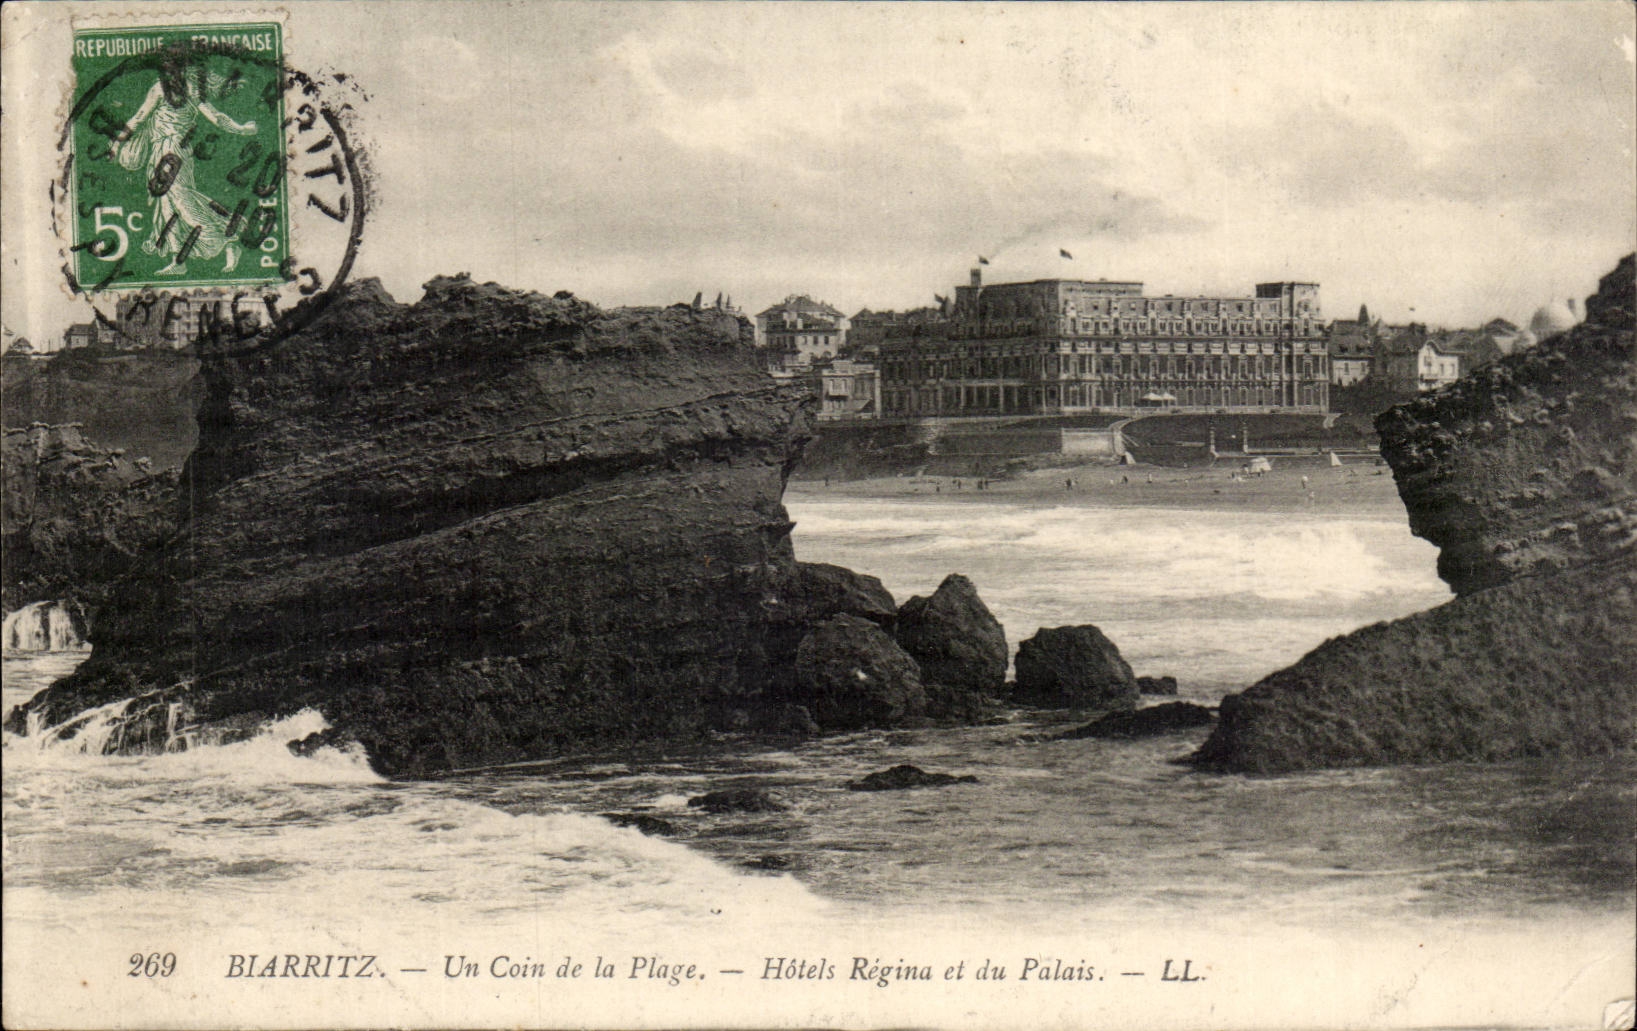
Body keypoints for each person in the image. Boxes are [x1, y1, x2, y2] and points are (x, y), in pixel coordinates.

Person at [114, 65, 260, 275]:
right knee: (168, 206)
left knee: (184, 204)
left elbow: (215, 116)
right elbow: (139, 118)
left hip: (174, 153)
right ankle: (179, 261)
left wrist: (241, 129)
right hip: (161, 152)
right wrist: (117, 144)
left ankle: (223, 240)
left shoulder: (187, 88)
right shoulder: (161, 88)